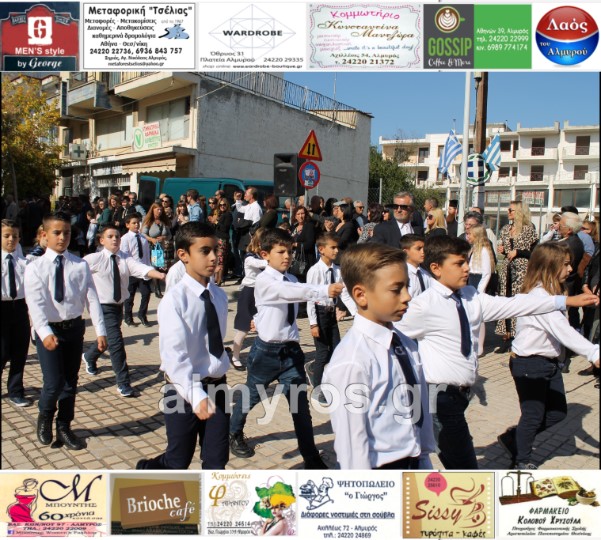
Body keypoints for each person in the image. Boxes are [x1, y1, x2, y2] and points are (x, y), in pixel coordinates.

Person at [397, 235, 598, 469]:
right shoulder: (423, 306)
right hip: (439, 398)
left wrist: (565, 301)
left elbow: (516, 305)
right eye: (459, 263)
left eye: (467, 261)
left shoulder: (470, 296)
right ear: (436, 268)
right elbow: (390, 334)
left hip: (460, 396)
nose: (466, 268)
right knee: (466, 471)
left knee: (458, 463)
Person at [228, 228, 343, 468]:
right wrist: (324, 290)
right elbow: (287, 293)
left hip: (291, 352)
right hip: (266, 353)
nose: (287, 256)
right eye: (281, 252)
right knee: (251, 396)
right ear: (265, 254)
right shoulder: (265, 280)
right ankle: (233, 432)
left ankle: (311, 457)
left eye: (289, 251)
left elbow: (285, 298)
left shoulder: (291, 279)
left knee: (300, 409)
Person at [323, 243, 435, 469]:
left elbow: (420, 406)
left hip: (414, 462)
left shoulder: (404, 343)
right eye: (396, 289)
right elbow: (352, 447)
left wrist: (424, 459)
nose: (407, 297)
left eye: (407, 286)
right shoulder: (352, 361)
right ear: (361, 295)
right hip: (379, 470)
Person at [136, 222, 230, 470]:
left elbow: (215, 341)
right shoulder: (174, 301)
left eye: (215, 250)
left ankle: (209, 495)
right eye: (205, 251)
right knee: (178, 460)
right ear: (183, 255)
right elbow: (174, 357)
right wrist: (195, 395)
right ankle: (147, 469)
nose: (213, 257)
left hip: (217, 387)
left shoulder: (219, 296)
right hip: (182, 389)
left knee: (217, 460)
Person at [499, 243, 600, 469]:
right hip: (530, 364)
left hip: (548, 363)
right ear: (550, 266)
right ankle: (521, 462)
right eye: (566, 264)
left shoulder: (551, 294)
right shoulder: (539, 297)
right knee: (532, 416)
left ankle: (515, 437)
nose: (571, 269)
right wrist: (593, 353)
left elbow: (563, 330)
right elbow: (563, 332)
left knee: (558, 412)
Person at [24, 212, 107, 450]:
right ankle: (45, 416)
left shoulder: (79, 265)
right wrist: (44, 332)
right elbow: (35, 304)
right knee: (53, 383)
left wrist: (100, 331)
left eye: (67, 233)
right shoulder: (35, 267)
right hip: (49, 331)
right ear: (44, 235)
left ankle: (64, 426)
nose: (62, 237)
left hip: (73, 329)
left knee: (70, 382)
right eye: (57, 233)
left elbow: (92, 298)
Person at [83, 225, 165, 397]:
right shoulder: (93, 259)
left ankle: (89, 356)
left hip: (118, 306)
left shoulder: (125, 258)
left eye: (117, 236)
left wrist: (161, 275)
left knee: (108, 338)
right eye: (110, 236)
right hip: (102, 307)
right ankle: (123, 382)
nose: (115, 239)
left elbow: (141, 269)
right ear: (101, 240)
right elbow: (76, 272)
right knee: (117, 344)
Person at [306, 233, 356, 405]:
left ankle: (330, 383)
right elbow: (310, 298)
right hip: (319, 313)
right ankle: (317, 389)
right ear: (321, 249)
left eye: (337, 247)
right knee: (322, 352)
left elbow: (345, 293)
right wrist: (313, 323)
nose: (336, 251)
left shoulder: (337, 270)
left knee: (336, 351)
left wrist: (356, 313)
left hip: (331, 314)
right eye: (332, 247)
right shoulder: (315, 271)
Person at [495, 201, 538, 352]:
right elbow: (506, 249)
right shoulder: (506, 229)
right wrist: (502, 250)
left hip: (522, 270)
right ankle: (506, 336)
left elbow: (534, 253)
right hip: (507, 269)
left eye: (511, 210)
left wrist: (518, 252)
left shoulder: (528, 229)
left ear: (519, 212)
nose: (508, 212)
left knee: (519, 302)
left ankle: (518, 337)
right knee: (506, 301)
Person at [1, 220, 32, 407]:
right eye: (6, 236)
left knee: (20, 351)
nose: (11, 239)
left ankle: (16, 390)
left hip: (20, 308)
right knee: (3, 351)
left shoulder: (25, 263)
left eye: (15, 236)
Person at [232, 229, 268, 371]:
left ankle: (262, 358)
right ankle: (235, 357)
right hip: (248, 293)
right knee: (243, 328)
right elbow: (262, 264)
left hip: (262, 293)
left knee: (263, 328)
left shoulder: (263, 255)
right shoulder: (250, 257)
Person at [120, 213, 153, 327]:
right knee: (130, 296)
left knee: (146, 293)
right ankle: (128, 318)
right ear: (127, 225)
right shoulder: (125, 239)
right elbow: (125, 256)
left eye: (138, 222)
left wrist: (149, 268)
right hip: (131, 272)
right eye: (133, 223)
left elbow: (147, 255)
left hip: (143, 271)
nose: (136, 225)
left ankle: (142, 314)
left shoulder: (143, 238)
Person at [141, 202, 172, 299]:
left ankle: (156, 286)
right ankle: (157, 289)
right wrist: (152, 239)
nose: (159, 211)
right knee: (154, 267)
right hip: (151, 247)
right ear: (153, 210)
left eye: (161, 210)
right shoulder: (148, 221)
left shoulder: (164, 222)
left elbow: (169, 235)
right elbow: (143, 234)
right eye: (157, 209)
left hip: (161, 248)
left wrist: (164, 237)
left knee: (158, 266)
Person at [291, 205, 317, 281]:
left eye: (302, 213)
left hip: (305, 260)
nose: (300, 216)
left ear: (306, 214)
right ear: (295, 216)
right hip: (294, 259)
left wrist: (295, 244)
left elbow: (309, 244)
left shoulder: (309, 226)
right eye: (298, 214)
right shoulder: (294, 226)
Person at [400, 234, 431, 299]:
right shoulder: (402, 274)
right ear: (405, 252)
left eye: (424, 248)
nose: (423, 252)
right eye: (418, 249)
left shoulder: (426, 274)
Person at [212, 198, 233, 286]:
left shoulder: (228, 215)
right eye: (220, 205)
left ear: (227, 205)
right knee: (217, 259)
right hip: (217, 238)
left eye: (224, 205)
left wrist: (216, 222)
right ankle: (216, 278)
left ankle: (220, 279)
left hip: (222, 239)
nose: (222, 206)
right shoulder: (220, 214)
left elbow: (225, 228)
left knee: (220, 259)